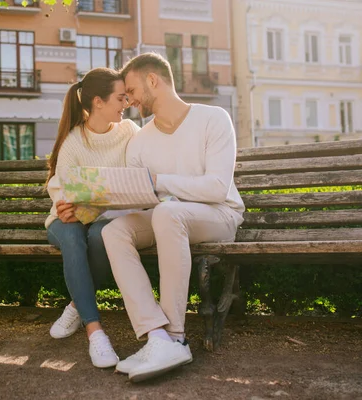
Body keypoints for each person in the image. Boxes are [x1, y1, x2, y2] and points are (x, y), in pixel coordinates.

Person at [101, 52, 245, 382]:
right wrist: (93, 202)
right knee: (116, 232)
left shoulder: (214, 118)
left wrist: (160, 182)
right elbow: (139, 201)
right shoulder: (140, 142)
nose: (130, 99)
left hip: (220, 215)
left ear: (153, 80)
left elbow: (217, 188)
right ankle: (157, 335)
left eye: (133, 90)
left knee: (167, 213)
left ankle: (177, 337)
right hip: (169, 218)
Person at [45, 67, 140, 368]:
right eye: (120, 98)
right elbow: (62, 190)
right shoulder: (73, 142)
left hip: (106, 220)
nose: (126, 104)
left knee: (100, 236)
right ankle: (95, 332)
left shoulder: (130, 133)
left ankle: (76, 304)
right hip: (67, 222)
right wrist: (64, 206)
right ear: (98, 102)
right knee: (73, 235)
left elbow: (136, 180)